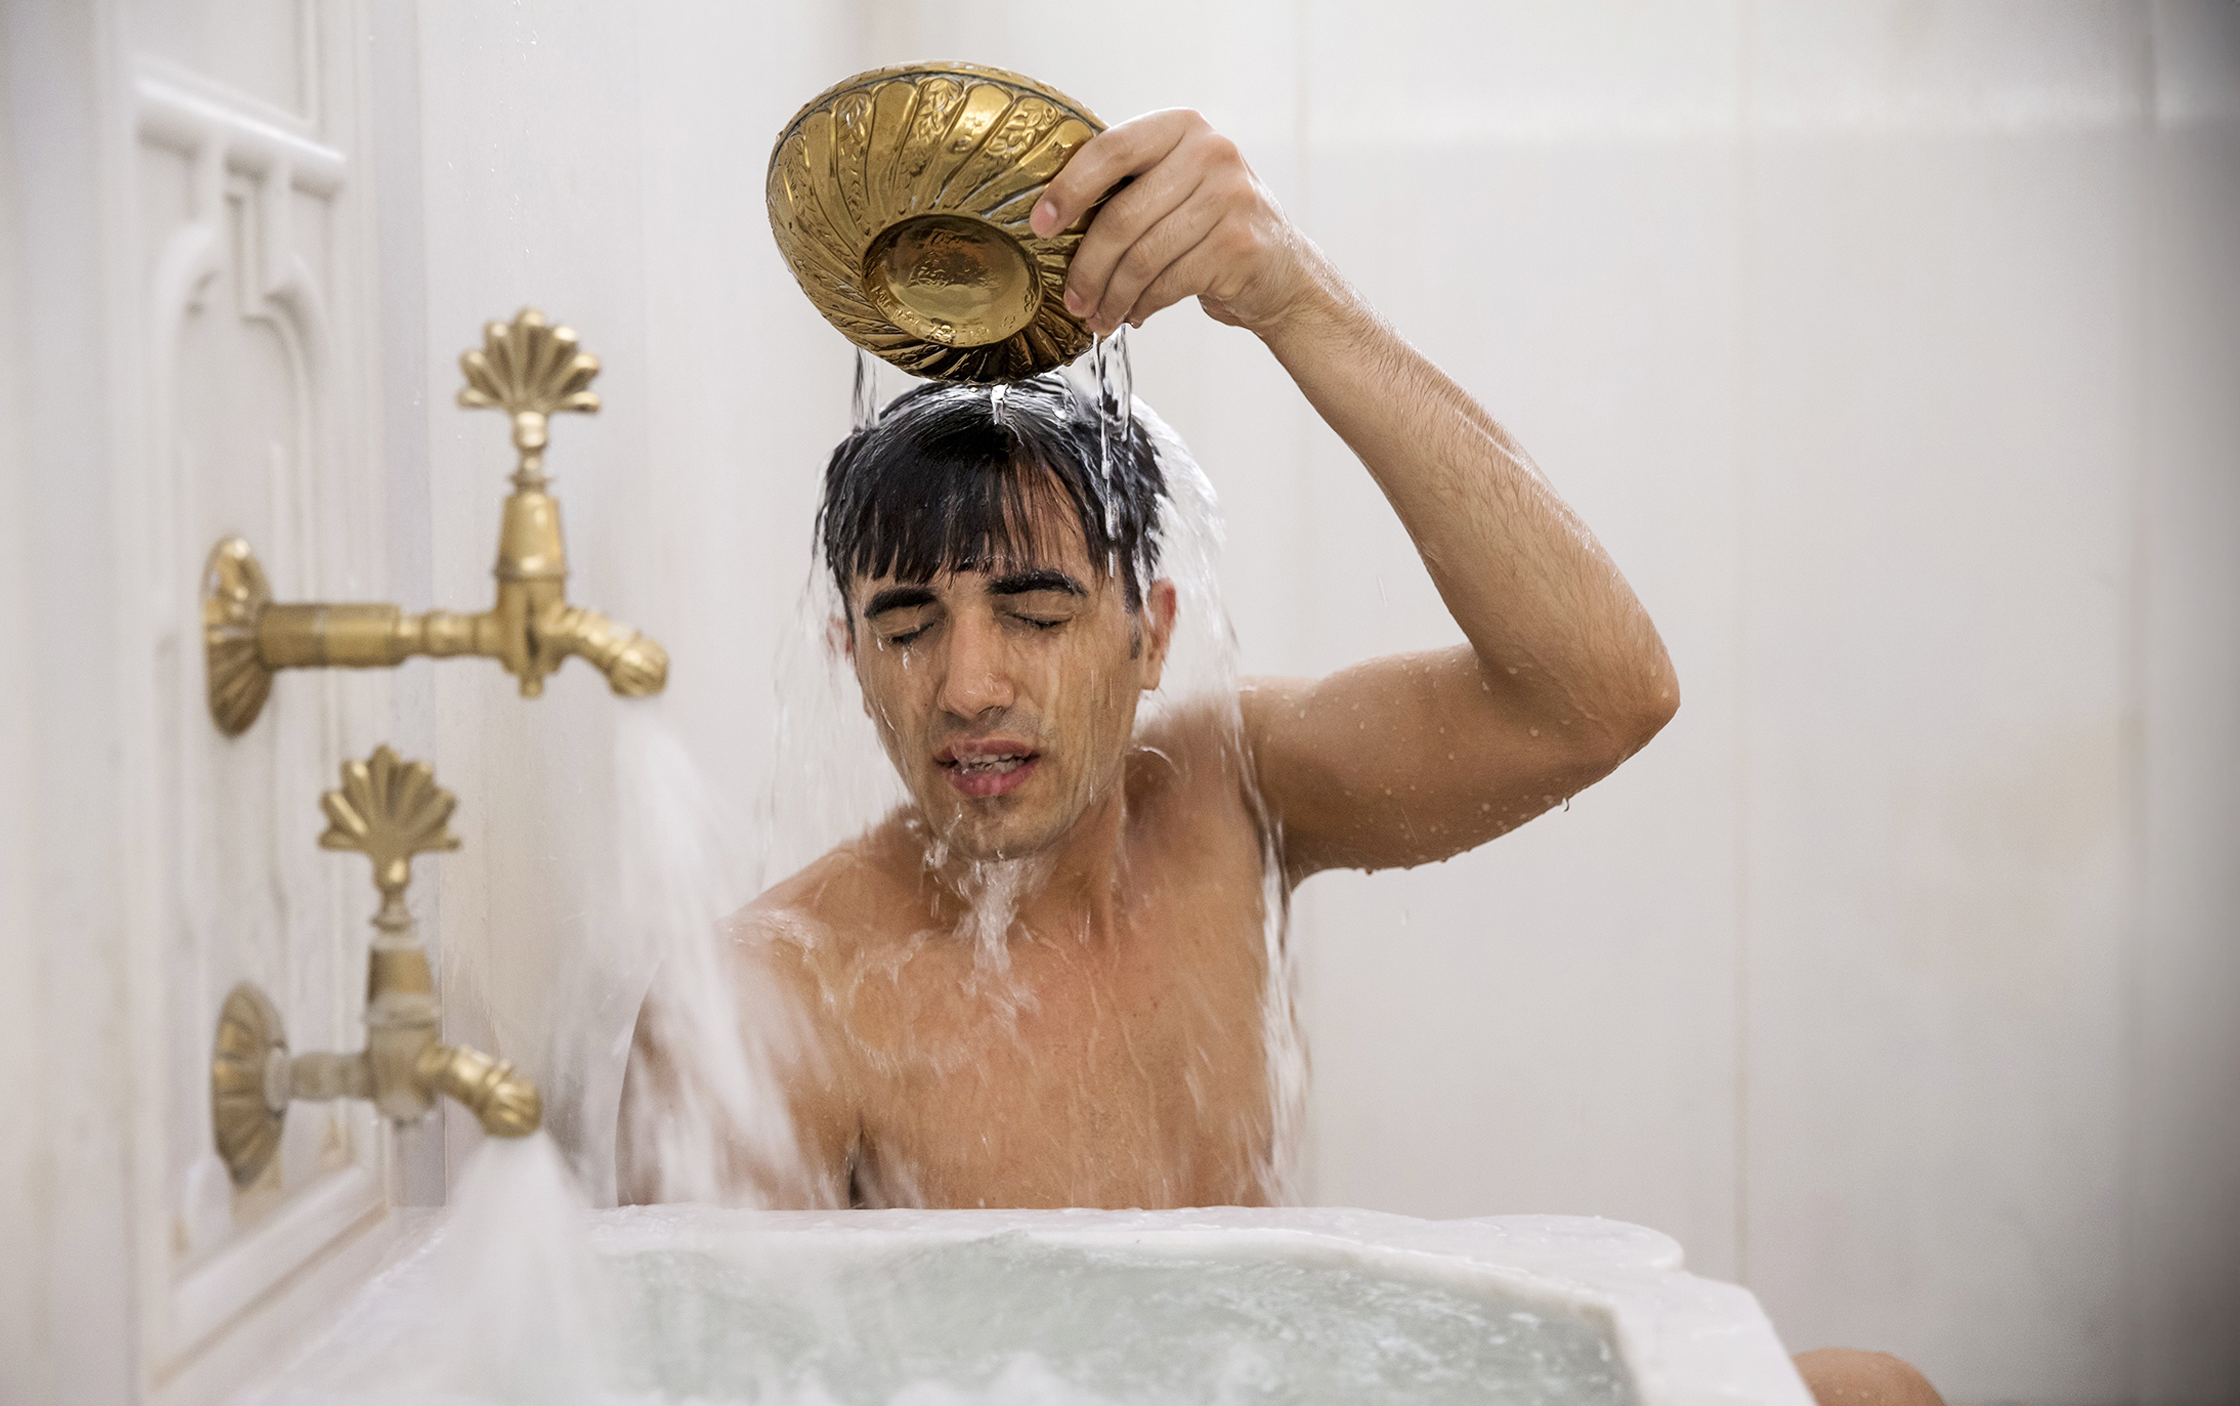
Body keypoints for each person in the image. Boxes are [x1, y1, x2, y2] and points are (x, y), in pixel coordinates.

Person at [622, 108, 1939, 1406]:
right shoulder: (767, 1010)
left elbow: (1601, 693)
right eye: (907, 625)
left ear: (1153, 634)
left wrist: (1287, 295)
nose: (967, 685)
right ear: (851, 658)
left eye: (1035, 611)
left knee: (1879, 1389)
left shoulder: (1224, 794)